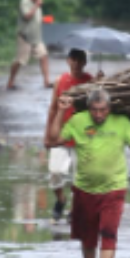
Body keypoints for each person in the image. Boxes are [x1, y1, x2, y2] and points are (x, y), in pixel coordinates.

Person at [46, 89, 130, 258]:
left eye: (103, 110)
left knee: (108, 231)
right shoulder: (78, 120)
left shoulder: (121, 121)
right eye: (94, 110)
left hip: (114, 187)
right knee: (88, 237)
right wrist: (60, 111)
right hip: (84, 189)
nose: (98, 115)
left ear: (109, 108)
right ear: (89, 108)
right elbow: (53, 140)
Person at [44, 48, 94, 221]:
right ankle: (61, 199)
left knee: (80, 176)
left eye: (80, 60)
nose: (77, 63)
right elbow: (53, 108)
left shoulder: (91, 81)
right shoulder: (61, 81)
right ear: (68, 61)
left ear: (85, 62)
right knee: (55, 171)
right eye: (73, 59)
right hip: (61, 134)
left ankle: (74, 209)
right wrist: (47, 134)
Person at [7, 0, 51, 90]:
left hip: (36, 38)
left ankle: (46, 81)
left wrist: (46, 19)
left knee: (43, 56)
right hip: (24, 37)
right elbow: (27, 16)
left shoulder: (38, 5)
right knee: (20, 61)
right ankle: (10, 81)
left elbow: (36, 20)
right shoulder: (25, 1)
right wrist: (36, 5)